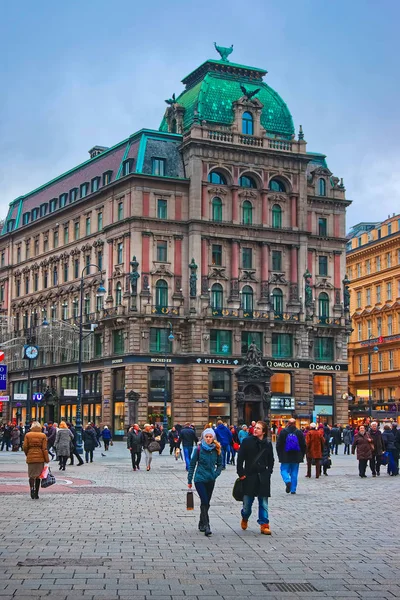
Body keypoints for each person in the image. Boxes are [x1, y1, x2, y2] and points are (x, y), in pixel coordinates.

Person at [237, 421, 275, 535]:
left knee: (263, 502)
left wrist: (269, 472)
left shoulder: (267, 444)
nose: (255, 430)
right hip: (249, 476)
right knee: (247, 503)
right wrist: (241, 473)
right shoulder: (247, 442)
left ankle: (264, 524)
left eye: (258, 428)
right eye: (255, 428)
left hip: (263, 476)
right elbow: (240, 458)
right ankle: (245, 516)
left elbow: (271, 459)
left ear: (263, 431)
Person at [187, 428, 222, 536]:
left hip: (211, 479)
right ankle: (207, 525)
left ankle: (201, 522)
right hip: (199, 479)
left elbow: (220, 465)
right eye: (206, 437)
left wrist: (215, 474)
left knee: (206, 503)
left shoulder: (217, 449)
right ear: (203, 437)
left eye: (210, 437)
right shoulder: (198, 449)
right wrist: (189, 479)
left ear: (213, 438)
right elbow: (192, 465)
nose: (208, 439)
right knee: (205, 501)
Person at [276, 417, 306, 494]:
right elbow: (303, 445)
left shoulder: (283, 432)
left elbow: (278, 445)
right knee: (294, 472)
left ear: (288, 424)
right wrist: (302, 455)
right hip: (296, 456)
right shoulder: (299, 432)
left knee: (283, 470)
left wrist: (280, 455)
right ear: (295, 424)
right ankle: (293, 489)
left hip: (285, 455)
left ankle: (287, 480)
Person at [23, 421, 49, 499]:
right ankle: (36, 493)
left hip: (31, 456)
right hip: (40, 457)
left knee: (31, 475)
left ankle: (31, 489)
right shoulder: (43, 435)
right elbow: (44, 448)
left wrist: (27, 453)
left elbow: (25, 447)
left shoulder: (28, 435)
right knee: (38, 476)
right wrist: (46, 459)